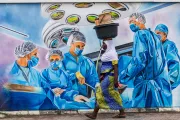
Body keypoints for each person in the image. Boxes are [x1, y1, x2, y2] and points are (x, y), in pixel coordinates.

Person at [119, 13, 172, 108]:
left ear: (139, 21)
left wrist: (122, 77)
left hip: (145, 89)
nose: (130, 24)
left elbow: (138, 61)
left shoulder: (140, 34)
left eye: (131, 21)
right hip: (158, 87)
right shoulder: (155, 37)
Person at [85, 39, 126, 119]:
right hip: (106, 76)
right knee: (111, 93)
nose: (102, 45)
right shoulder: (107, 53)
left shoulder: (112, 54)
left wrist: (115, 80)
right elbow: (105, 65)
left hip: (110, 77)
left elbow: (116, 68)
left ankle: (94, 114)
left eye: (104, 43)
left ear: (108, 44)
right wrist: (102, 76)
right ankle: (122, 112)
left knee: (100, 93)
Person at [4, 41, 50, 110]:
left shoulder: (36, 73)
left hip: (35, 111)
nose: (37, 57)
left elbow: (46, 87)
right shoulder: (9, 71)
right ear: (27, 54)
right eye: (35, 54)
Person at [62, 31, 100, 97]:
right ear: (71, 44)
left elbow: (92, 79)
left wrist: (97, 86)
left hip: (83, 98)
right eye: (78, 46)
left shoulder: (87, 61)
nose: (80, 49)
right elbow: (60, 78)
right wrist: (74, 75)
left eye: (82, 46)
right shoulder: (62, 60)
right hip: (68, 99)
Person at [155, 24, 180, 90]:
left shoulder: (169, 45)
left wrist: (170, 81)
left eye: (158, 33)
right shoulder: (158, 48)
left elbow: (174, 63)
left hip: (165, 83)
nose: (156, 35)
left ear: (165, 34)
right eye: (155, 34)